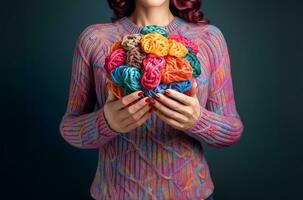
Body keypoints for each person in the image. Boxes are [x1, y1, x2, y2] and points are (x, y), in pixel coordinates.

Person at [59, 0, 244, 199]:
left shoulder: (209, 38)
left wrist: (198, 120)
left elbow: (232, 130)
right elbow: (69, 127)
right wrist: (107, 122)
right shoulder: (94, 39)